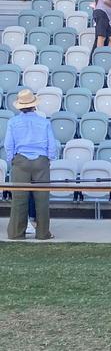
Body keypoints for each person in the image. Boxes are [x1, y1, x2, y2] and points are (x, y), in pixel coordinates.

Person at [5, 89, 57, 241]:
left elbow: (9, 144)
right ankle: (42, 233)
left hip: (21, 160)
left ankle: (16, 233)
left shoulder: (13, 122)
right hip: (40, 160)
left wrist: (12, 159)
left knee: (19, 198)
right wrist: (49, 158)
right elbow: (51, 144)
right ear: (35, 105)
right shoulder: (44, 122)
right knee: (42, 198)